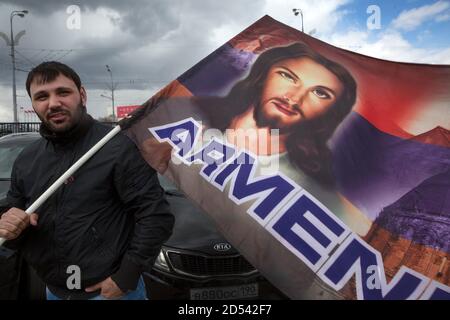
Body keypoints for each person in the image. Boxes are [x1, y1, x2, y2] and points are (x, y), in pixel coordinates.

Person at [0, 61, 174, 300]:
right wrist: (9, 222)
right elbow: (16, 209)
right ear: (33, 104)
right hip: (54, 291)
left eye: (63, 92)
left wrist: (125, 277)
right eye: (42, 96)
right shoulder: (27, 158)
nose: (53, 103)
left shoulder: (117, 148)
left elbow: (155, 215)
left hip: (110, 293)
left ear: (81, 95)